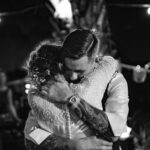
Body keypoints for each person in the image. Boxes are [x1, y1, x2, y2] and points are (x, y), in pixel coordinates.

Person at [24, 29, 129, 150]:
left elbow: (113, 133)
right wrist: (72, 145)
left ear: (93, 59)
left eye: (79, 71)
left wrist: (71, 99)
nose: (73, 76)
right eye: (68, 68)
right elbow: (31, 134)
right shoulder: (52, 81)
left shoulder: (114, 80)